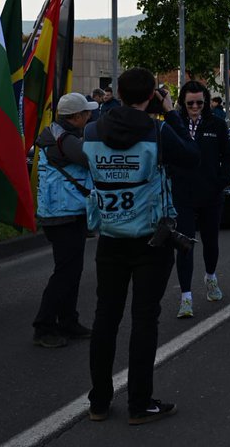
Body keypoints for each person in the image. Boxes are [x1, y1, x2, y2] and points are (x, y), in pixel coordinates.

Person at [83, 68, 199, 425]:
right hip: (151, 237)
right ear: (151, 95)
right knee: (144, 319)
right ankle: (139, 403)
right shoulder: (158, 129)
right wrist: (172, 113)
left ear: (117, 92)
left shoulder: (92, 130)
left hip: (111, 235)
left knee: (106, 318)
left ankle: (99, 402)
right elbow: (191, 157)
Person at [32, 92, 100, 348]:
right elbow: (89, 159)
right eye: (87, 113)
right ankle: (44, 326)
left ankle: (68, 321)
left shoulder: (58, 134)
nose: (91, 116)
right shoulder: (65, 140)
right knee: (65, 273)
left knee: (71, 271)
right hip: (63, 215)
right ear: (76, 117)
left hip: (64, 212)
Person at [170, 80, 230, 319]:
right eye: (190, 103)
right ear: (182, 102)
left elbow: (229, 154)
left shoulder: (216, 124)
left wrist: (222, 180)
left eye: (200, 102)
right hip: (182, 196)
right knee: (184, 246)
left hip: (211, 195)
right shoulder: (173, 123)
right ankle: (186, 297)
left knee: (211, 242)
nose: (195, 106)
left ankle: (210, 277)